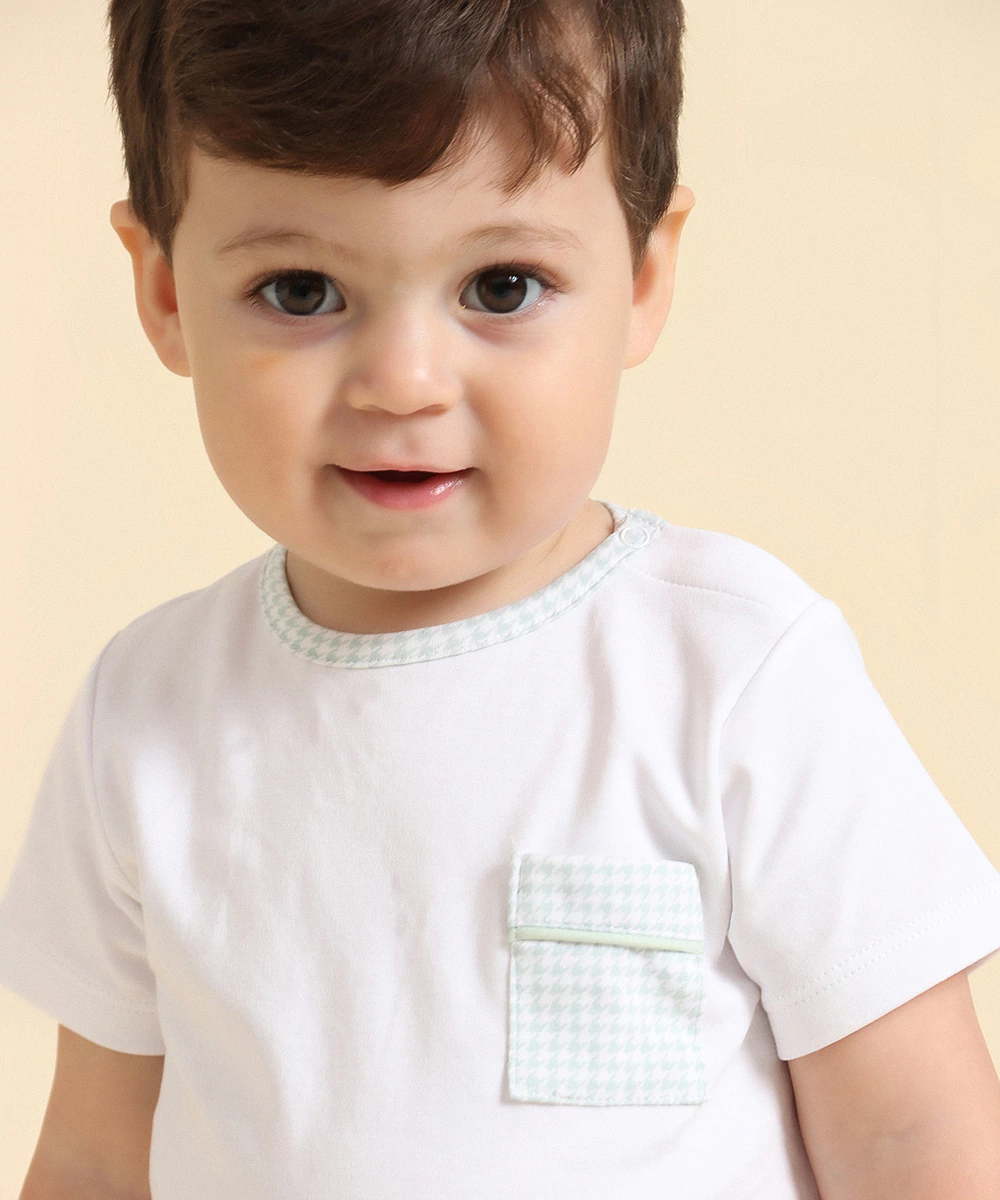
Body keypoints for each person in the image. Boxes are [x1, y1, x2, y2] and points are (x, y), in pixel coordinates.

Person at [3, 0, 1000, 1195]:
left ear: (643, 277)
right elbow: (96, 1157)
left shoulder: (733, 673)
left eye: (503, 284)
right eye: (301, 291)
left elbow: (914, 1141)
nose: (403, 383)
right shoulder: (143, 711)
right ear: (166, 293)